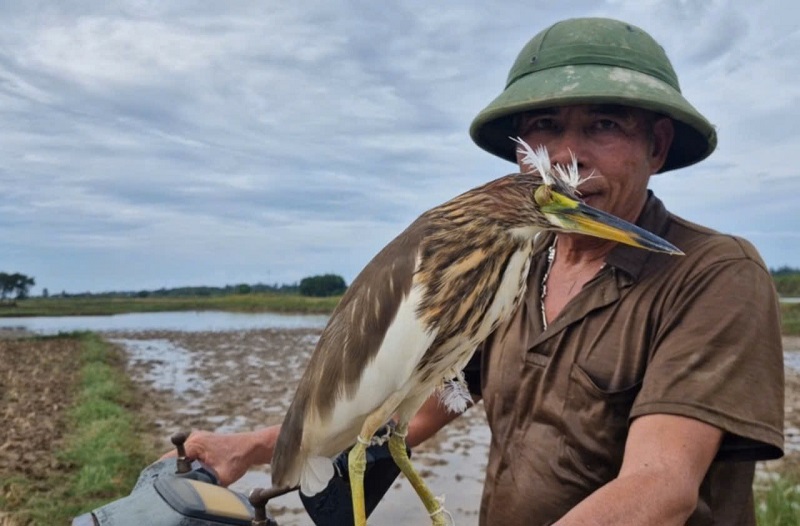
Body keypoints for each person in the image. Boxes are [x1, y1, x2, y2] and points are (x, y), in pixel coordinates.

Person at [173, 17, 784, 525]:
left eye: (604, 124)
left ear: (657, 142)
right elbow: (427, 400)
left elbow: (662, 487)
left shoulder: (715, 275)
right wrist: (255, 447)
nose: (566, 156)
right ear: (521, 149)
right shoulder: (515, 268)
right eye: (545, 127)